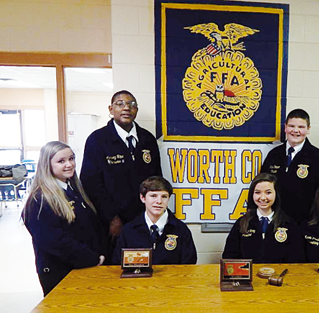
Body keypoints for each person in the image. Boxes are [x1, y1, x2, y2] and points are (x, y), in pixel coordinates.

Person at [80, 90, 162, 260]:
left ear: (136, 110)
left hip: (142, 218)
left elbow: (156, 180)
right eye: (120, 104)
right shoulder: (97, 140)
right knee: (115, 267)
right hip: (111, 222)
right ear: (110, 109)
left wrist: (154, 213)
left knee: (143, 264)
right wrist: (112, 218)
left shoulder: (147, 139)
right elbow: (90, 183)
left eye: (132, 104)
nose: (126, 108)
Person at [22, 141, 105, 296]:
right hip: (59, 272)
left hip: (83, 267)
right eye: (61, 161)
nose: (69, 164)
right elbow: (55, 242)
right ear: (47, 165)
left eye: (71, 159)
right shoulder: (39, 200)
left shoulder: (73, 190)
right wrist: (92, 258)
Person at [260, 109, 319, 224]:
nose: (296, 130)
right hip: (275, 222)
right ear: (285, 127)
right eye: (291, 126)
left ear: (308, 129)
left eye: (301, 127)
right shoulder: (273, 155)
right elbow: (261, 187)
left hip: (306, 223)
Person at [113, 176, 197, 265]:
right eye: (153, 196)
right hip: (138, 278)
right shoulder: (129, 230)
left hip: (171, 278)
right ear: (143, 198)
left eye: (164, 196)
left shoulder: (181, 229)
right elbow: (117, 263)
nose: (159, 201)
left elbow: (189, 264)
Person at [222, 173, 304, 263]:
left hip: (279, 276)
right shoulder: (241, 223)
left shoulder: (289, 224)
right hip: (248, 276)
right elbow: (229, 257)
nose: (263, 197)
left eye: (268, 192)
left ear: (276, 193)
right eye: (257, 192)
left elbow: (296, 260)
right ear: (252, 194)